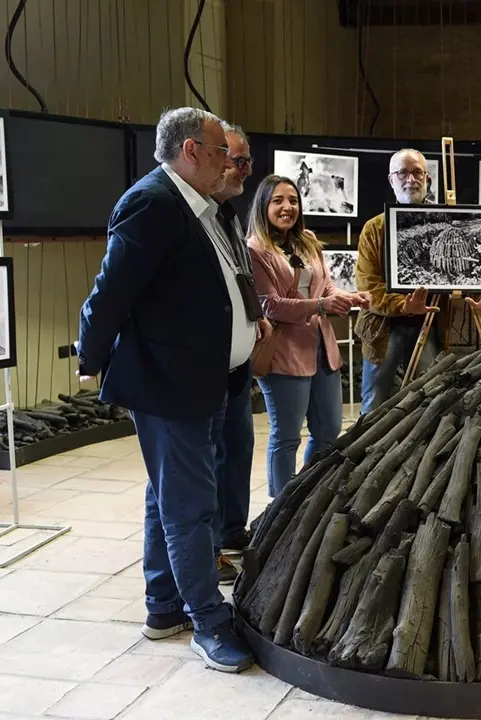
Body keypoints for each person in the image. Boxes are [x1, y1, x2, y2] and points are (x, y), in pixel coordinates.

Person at [76, 107, 256, 673]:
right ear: (191, 152)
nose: (229, 160)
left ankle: (163, 607)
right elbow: (111, 291)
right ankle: (208, 621)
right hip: (169, 384)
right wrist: (91, 356)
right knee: (189, 506)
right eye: (220, 150)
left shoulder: (207, 206)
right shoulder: (152, 201)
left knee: (166, 496)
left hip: (210, 378)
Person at [354, 149, 481, 413]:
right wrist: (403, 305)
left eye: (417, 172)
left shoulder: (448, 223)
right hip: (383, 329)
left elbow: (463, 275)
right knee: (375, 405)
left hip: (430, 323)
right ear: (391, 180)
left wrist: (480, 301)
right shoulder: (375, 229)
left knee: (431, 400)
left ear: (428, 179)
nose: (410, 179)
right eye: (402, 172)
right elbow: (368, 288)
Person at [247, 175, 370, 497]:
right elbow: (269, 305)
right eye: (278, 201)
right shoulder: (255, 249)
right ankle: (279, 508)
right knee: (287, 436)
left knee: (329, 430)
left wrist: (349, 296)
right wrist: (320, 304)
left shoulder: (308, 241)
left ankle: (307, 496)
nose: (287, 207)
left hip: (321, 348)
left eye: (293, 200)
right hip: (283, 353)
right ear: (263, 206)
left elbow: (325, 286)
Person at [209, 122, 263, 586]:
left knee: (237, 449)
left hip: (236, 365)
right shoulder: (188, 213)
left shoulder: (228, 214)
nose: (245, 170)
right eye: (238, 160)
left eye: (248, 161)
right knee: (205, 458)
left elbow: (238, 278)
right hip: (203, 368)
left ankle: (230, 534)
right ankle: (207, 550)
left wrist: (254, 316)